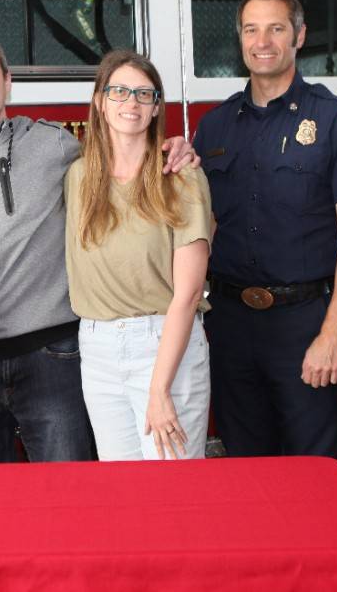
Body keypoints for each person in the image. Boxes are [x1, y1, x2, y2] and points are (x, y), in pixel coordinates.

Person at [0, 32, 198, 463]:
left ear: (8, 81)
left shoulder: (55, 145)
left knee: (69, 488)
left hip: (52, 356)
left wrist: (175, 147)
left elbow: (122, 153)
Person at [192, 0, 337, 460]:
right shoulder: (214, 126)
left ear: (299, 36)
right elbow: (202, 228)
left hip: (304, 324)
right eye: (251, 30)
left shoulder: (335, 119)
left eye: (276, 28)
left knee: (314, 467)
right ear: (240, 40)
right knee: (245, 464)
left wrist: (332, 334)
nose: (263, 41)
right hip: (231, 325)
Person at [64, 50, 212, 460]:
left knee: (173, 494)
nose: (131, 103)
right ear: (99, 102)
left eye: (144, 94)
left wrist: (160, 389)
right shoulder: (78, 177)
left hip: (163, 345)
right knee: (124, 494)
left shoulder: (180, 175)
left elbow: (188, 292)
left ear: (156, 107)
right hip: (97, 349)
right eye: (119, 92)